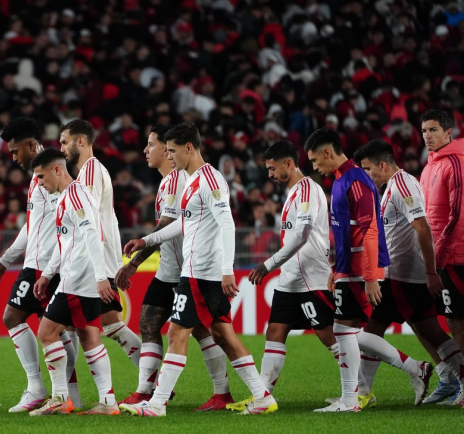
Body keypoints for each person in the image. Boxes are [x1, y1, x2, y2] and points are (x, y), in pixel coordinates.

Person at [119, 123, 277, 416]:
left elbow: (227, 223)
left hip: (202, 274)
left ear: (189, 147)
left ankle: (157, 403)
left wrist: (227, 270)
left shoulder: (210, 180)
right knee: (223, 336)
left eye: (173, 150)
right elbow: (184, 222)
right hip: (199, 273)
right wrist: (146, 241)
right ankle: (262, 396)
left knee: (176, 333)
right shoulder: (192, 181)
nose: (169, 156)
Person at [306, 128, 431, 412]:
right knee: (347, 331)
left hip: (361, 268)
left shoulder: (355, 180)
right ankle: (409, 371)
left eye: (314, 160)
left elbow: (370, 229)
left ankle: (353, 398)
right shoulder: (342, 180)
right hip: (349, 267)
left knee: (343, 330)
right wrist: (337, 268)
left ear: (327, 152)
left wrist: (371, 276)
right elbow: (345, 231)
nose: (314, 166)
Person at [115, 124, 233, 411]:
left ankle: (163, 395)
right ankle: (149, 392)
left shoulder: (177, 181)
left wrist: (135, 262)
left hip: (184, 271)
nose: (147, 150)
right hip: (171, 270)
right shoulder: (173, 180)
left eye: (152, 145)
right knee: (151, 323)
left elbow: (169, 225)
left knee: (202, 331)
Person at [228, 140, 339, 411]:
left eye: (272, 168)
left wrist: (268, 264)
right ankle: (263, 396)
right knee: (275, 331)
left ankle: (360, 388)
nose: (270, 174)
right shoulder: (292, 193)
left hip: (311, 277)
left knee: (328, 334)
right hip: (290, 279)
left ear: (289, 164)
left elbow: (302, 235)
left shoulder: (307, 189)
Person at [353, 139, 464, 406]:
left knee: (370, 332)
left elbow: (423, 228)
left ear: (382, 165)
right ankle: (448, 377)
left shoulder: (402, 185)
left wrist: (430, 273)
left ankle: (370, 390)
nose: (367, 175)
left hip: (402, 276)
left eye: (368, 169)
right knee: (430, 331)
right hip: (402, 275)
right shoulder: (393, 186)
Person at [54, 119, 142, 402]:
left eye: (65, 141)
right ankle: (151, 382)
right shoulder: (91, 171)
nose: (61, 148)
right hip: (97, 263)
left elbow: (90, 223)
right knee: (106, 326)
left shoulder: (90, 171)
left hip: (93, 265)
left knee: (70, 328)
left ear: (81, 141)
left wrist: (99, 272)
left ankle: (75, 398)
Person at [0, 118, 69, 413]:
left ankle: (40, 389)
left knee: (16, 318)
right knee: (59, 331)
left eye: (15, 151)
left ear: (32, 145)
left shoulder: (51, 176)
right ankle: (65, 393)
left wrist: (51, 266)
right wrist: (6, 259)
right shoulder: (38, 176)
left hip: (45, 265)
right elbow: (33, 225)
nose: (13, 158)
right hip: (40, 263)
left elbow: (64, 221)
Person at [30, 148, 119, 416]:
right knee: (88, 335)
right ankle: (108, 402)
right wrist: (48, 273)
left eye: (41, 176)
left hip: (77, 279)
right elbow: (67, 242)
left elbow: (92, 236)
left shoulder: (76, 196)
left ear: (58, 170)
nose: (40, 183)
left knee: (46, 332)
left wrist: (101, 277)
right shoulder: (68, 196)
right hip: (80, 277)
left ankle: (60, 397)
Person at [419, 110, 464, 406]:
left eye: (433, 130)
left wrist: (438, 260)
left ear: (449, 133)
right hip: (435, 259)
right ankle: (450, 378)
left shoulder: (456, 163)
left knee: (458, 322)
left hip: (454, 258)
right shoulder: (429, 166)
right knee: (424, 317)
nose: (427, 135)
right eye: (424, 130)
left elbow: (457, 217)